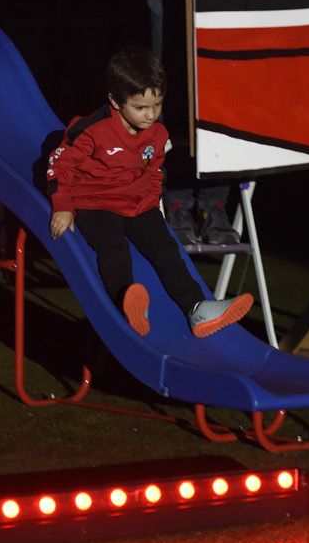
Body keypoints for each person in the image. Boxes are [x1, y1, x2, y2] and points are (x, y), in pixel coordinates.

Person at [46, 46, 253, 337]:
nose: (150, 115)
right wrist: (63, 205)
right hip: (94, 202)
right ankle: (127, 303)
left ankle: (197, 309)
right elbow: (59, 165)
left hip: (137, 204)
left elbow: (153, 171)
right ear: (115, 101)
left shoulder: (158, 135)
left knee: (167, 250)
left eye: (156, 105)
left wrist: (153, 202)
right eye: (140, 108)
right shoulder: (92, 130)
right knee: (114, 250)